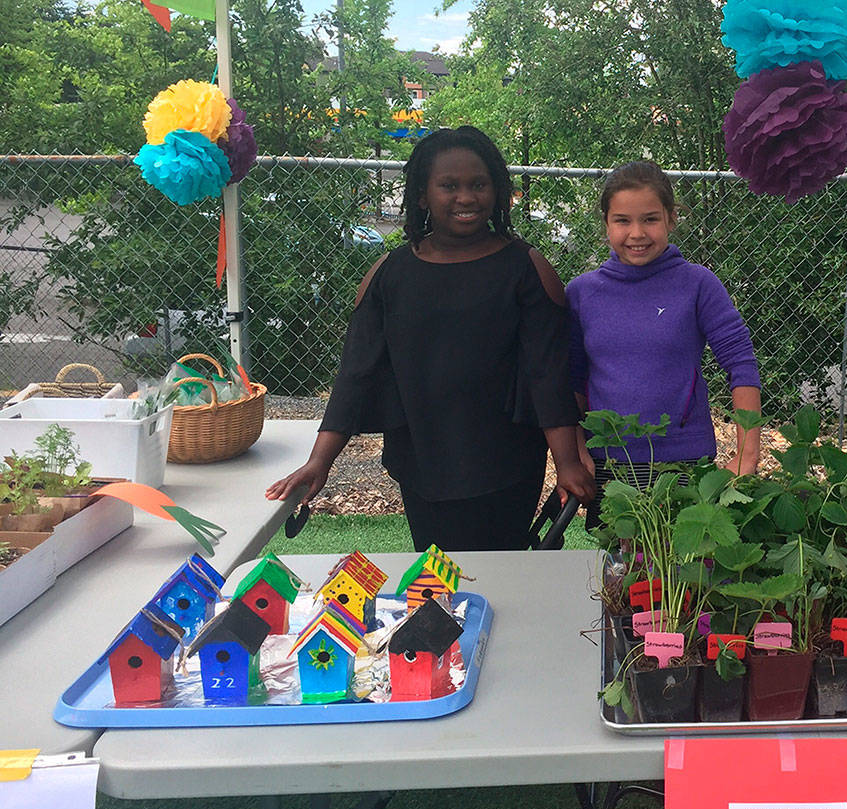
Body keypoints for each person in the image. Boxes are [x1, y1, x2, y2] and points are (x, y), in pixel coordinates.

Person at [267, 125, 595, 551]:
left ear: (496, 190)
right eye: (449, 186)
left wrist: (566, 461)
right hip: (422, 463)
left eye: (479, 184)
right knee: (437, 578)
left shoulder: (527, 268)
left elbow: (547, 374)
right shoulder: (389, 274)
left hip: (507, 466)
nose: (466, 197)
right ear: (422, 194)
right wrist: (319, 461)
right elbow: (356, 376)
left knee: (504, 571)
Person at [567, 161, 762, 525]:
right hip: (611, 465)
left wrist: (746, 454)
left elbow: (741, 364)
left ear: (672, 219)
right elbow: (573, 383)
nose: (637, 233)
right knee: (620, 574)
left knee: (684, 571)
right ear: (606, 223)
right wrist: (578, 453)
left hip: (684, 461)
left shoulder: (698, 285)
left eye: (651, 219)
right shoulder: (581, 294)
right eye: (622, 220)